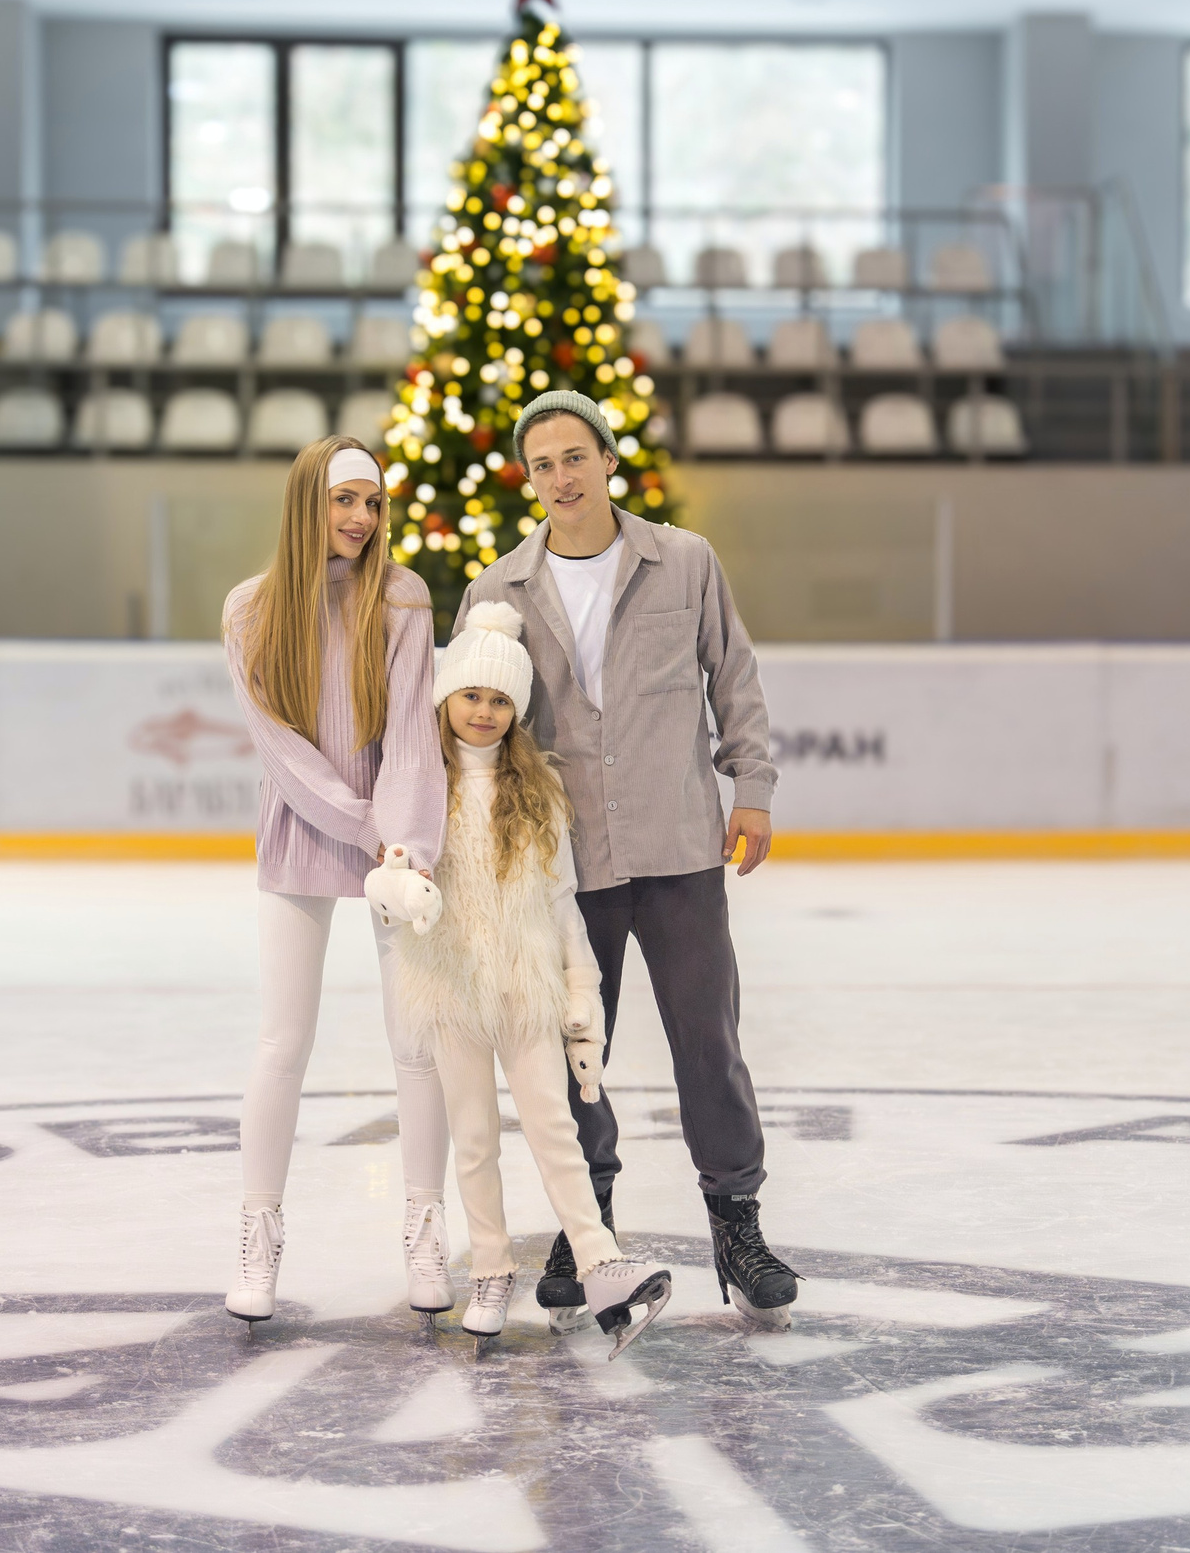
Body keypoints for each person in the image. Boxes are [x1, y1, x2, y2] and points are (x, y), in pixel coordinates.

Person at [458, 388, 800, 1329]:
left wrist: (755, 787)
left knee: (709, 1043)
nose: (561, 477)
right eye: (542, 465)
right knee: (579, 1052)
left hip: (681, 843)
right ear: (527, 481)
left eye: (576, 457)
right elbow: (474, 722)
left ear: (608, 460)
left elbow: (734, 676)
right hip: (566, 865)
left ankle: (737, 1222)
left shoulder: (683, 561)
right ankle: (588, 1223)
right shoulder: (498, 591)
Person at [377, 601, 674, 1353]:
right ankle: (490, 1268)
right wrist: (398, 891)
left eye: (500, 699)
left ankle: (602, 1261)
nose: (483, 712)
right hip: (449, 988)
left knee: (552, 1128)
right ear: (446, 699)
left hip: (524, 988)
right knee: (473, 1139)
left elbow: (564, 908)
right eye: (471, 695)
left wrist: (583, 1013)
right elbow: (382, 878)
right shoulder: (417, 786)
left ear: (517, 710)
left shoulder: (538, 791)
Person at [218, 436, 451, 1324]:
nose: (359, 519)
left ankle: (425, 1229)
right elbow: (282, 754)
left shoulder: (402, 597)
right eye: (342, 499)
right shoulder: (250, 611)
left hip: (398, 847)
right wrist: (365, 829)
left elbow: (412, 743)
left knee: (417, 1045)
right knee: (283, 1041)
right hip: (304, 831)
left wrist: (405, 848)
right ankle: (258, 1231)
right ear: (307, 500)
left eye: (371, 503)